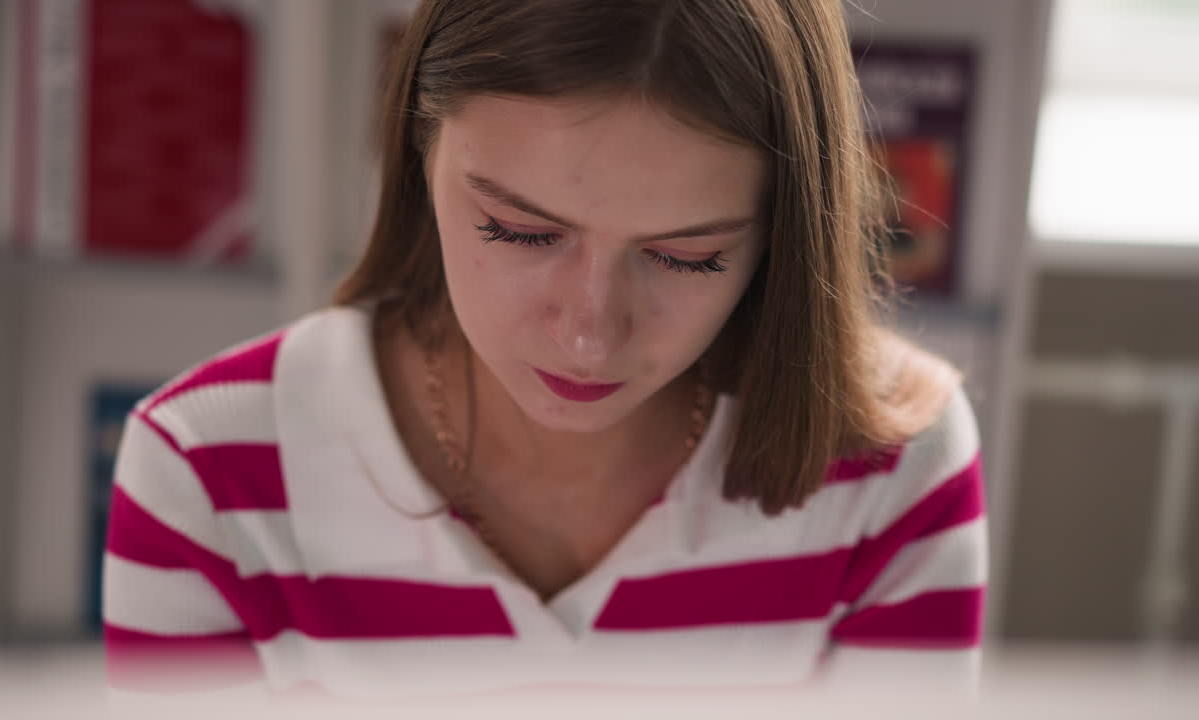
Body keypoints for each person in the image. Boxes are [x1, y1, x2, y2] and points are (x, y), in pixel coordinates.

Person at [102, 0, 986, 699]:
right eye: (520, 232)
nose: (589, 332)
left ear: (782, 234)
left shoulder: (895, 469)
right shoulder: (210, 476)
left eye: (687, 256)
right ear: (417, 151)